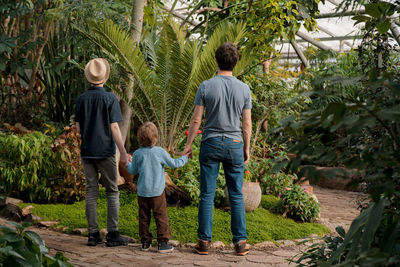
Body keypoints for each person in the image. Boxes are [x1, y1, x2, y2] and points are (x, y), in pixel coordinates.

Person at [182, 42, 252, 256]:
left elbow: (196, 120)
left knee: (207, 195)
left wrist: (188, 145)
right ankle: (240, 243)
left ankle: (203, 242)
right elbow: (247, 124)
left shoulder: (206, 86)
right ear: (236, 62)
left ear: (216, 61)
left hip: (210, 143)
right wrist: (246, 149)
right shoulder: (244, 88)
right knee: (236, 195)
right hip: (234, 145)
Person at [75, 58, 131, 247]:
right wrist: (123, 152)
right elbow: (115, 128)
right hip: (106, 152)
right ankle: (113, 234)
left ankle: (93, 235)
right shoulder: (110, 98)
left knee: (91, 192)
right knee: (112, 191)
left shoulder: (81, 99)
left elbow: (78, 129)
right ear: (105, 78)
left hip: (87, 152)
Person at [127, 122, 188, 253]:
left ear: (139, 138)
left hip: (142, 192)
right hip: (157, 192)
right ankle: (163, 243)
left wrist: (127, 163)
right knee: (161, 216)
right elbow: (175, 164)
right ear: (155, 137)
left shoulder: (137, 154)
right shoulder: (160, 152)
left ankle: (145, 242)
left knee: (144, 217)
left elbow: (132, 171)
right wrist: (185, 158)